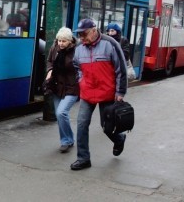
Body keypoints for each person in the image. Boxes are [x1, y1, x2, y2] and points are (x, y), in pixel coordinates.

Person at [70, 18, 128, 170]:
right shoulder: (79, 47)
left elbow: (120, 68)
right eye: (80, 35)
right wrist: (81, 80)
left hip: (107, 93)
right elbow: (76, 66)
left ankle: (119, 138)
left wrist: (120, 91)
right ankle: (83, 158)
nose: (82, 38)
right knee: (82, 124)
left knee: (107, 127)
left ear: (94, 30)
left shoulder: (110, 44)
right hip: (87, 92)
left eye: (84, 34)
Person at [45, 27, 79, 153]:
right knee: (60, 116)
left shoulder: (77, 51)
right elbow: (49, 61)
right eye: (59, 40)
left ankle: (65, 141)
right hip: (56, 86)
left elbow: (81, 68)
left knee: (61, 113)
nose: (61, 43)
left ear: (70, 41)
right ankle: (68, 139)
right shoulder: (55, 48)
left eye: (64, 41)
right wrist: (49, 71)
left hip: (72, 87)